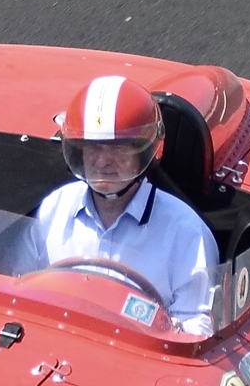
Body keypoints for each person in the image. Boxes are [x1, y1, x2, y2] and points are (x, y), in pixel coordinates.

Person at [32, 74, 220, 335]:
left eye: (118, 148)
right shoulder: (55, 207)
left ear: (146, 150)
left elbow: (197, 328)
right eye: (92, 147)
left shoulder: (186, 230)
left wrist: (168, 329)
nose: (103, 161)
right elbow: (19, 286)